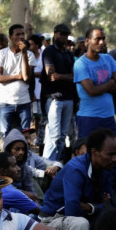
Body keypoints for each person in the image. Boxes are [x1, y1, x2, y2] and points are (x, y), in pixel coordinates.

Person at [40, 127, 116, 219]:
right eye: (110, 154)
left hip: (83, 216)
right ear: (94, 152)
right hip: (53, 218)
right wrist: (98, 206)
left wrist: (90, 207)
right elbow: (72, 211)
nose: (115, 159)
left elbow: (111, 202)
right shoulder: (75, 170)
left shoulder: (107, 166)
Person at [73, 27, 116, 138]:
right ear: (87, 41)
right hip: (89, 118)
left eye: (103, 39)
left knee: (110, 152)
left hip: (109, 116)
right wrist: (110, 83)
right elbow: (91, 91)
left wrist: (100, 87)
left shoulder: (108, 59)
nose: (102, 42)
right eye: (97, 39)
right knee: (88, 153)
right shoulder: (80, 64)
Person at [41, 23, 76, 161]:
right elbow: (50, 74)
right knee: (54, 136)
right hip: (53, 99)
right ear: (55, 34)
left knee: (62, 137)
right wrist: (67, 76)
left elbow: (74, 76)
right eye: (60, 34)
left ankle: (55, 164)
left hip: (68, 98)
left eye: (65, 34)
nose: (63, 37)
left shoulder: (69, 54)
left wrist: (60, 76)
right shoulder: (49, 51)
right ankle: (47, 165)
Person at [0, 24, 35, 133]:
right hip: (5, 103)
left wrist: (24, 54)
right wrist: (18, 76)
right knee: (4, 136)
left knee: (24, 136)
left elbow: (26, 77)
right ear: (11, 37)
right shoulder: (1, 54)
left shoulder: (29, 55)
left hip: (24, 102)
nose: (21, 37)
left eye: (22, 34)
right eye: (17, 34)